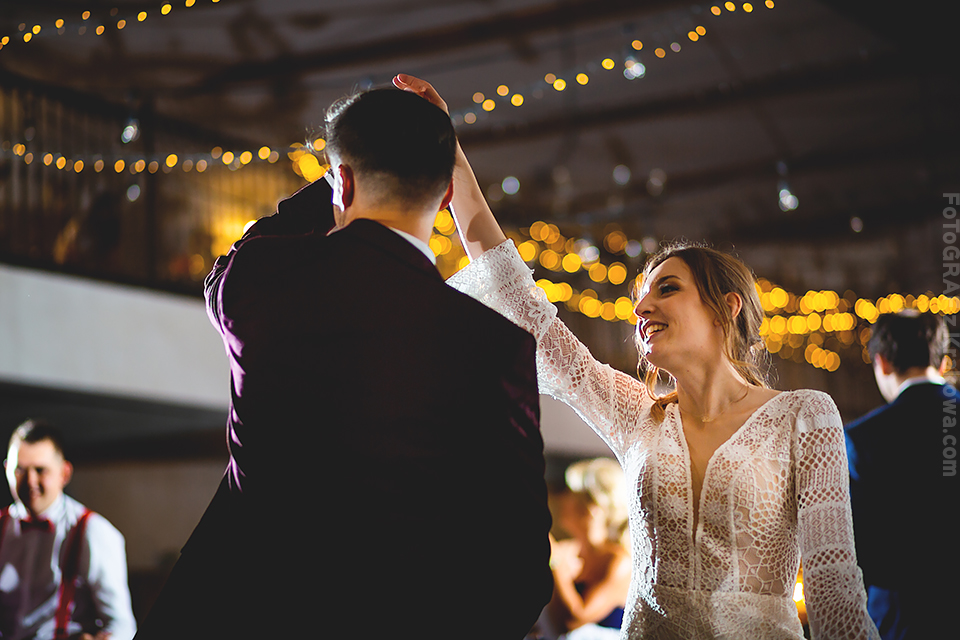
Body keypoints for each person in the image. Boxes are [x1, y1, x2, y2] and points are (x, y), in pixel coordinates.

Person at [394, 75, 879, 639]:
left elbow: (833, 586)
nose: (642, 307)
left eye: (667, 289)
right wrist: (452, 157)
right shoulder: (637, 413)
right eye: (639, 299)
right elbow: (527, 311)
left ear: (726, 307)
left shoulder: (804, 415)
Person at [135, 86, 552, 639]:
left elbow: (241, 257)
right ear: (448, 192)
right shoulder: (495, 345)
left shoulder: (258, 282)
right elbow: (522, 571)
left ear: (343, 182)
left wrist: (340, 174)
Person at [844, 311, 958, 639]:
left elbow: (860, 550)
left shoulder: (862, 438)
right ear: (943, 363)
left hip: (903, 618)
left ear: (882, 363)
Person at [1, 420, 137, 640]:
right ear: (6, 469)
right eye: (20, 470)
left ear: (64, 474)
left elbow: (122, 626)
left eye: (40, 470)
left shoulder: (93, 531)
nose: (30, 481)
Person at [543, 458, 631, 640]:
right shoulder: (569, 549)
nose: (564, 499)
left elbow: (572, 621)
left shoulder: (619, 562)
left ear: (593, 508)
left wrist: (555, 561)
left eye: (572, 494)